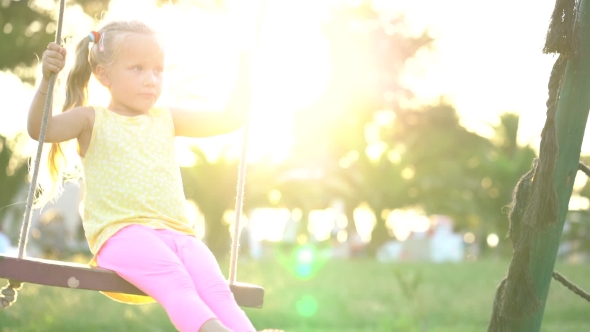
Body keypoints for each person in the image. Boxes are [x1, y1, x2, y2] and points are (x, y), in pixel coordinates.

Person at [29, 20, 256, 332]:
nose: (151, 80)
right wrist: (47, 81)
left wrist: (246, 64)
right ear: (103, 74)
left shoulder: (166, 119)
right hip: (122, 235)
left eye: (157, 70)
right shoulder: (92, 119)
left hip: (179, 235)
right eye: (137, 69)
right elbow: (41, 129)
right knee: (178, 283)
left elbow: (231, 118)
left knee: (218, 293)